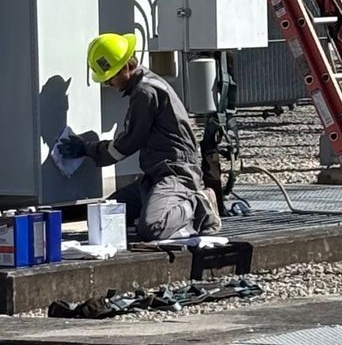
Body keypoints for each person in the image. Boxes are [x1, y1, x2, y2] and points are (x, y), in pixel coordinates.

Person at [59, 32, 222, 242]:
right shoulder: (146, 86)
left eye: (110, 78)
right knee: (102, 217)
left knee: (151, 228)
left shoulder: (145, 93)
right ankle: (160, 205)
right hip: (156, 176)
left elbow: (127, 143)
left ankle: (199, 203)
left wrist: (88, 149)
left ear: (126, 67)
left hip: (174, 174)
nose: (108, 84)